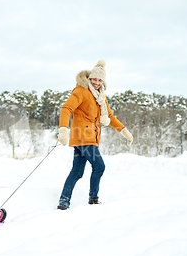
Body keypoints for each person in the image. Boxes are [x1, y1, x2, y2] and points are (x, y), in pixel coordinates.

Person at [57, 60, 133, 210]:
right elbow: (66, 109)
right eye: (94, 79)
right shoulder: (81, 91)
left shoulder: (101, 97)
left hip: (87, 139)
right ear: (90, 78)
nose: (97, 82)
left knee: (77, 172)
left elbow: (109, 117)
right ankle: (93, 199)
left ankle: (63, 202)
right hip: (84, 137)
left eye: (100, 80)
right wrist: (63, 129)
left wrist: (125, 132)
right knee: (99, 166)